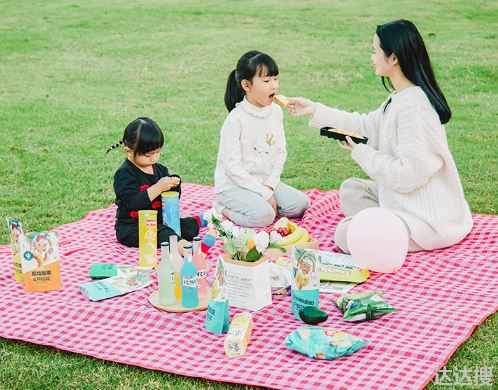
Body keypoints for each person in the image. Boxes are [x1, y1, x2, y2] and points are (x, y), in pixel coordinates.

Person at [287, 19, 473, 252]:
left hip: (427, 220)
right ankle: (380, 226)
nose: (372, 57)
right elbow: (365, 126)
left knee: (345, 234)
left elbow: (408, 175)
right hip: (406, 203)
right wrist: (314, 109)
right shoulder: (400, 97)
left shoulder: (413, 109)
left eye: (375, 51)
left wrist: (362, 152)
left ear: (393, 58)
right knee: (352, 190)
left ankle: (384, 231)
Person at [214, 50, 309, 227]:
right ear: (246, 86)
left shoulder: (276, 112)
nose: (273, 85)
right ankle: (221, 208)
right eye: (266, 81)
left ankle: (260, 205)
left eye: (275, 79)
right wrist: (264, 194)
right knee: (264, 217)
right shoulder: (235, 120)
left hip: (264, 182)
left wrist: (270, 187)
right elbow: (233, 168)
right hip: (233, 186)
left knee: (301, 204)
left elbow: (281, 152)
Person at [107, 117, 207, 252]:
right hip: (133, 228)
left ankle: (200, 220)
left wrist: (174, 185)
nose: (154, 158)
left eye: (157, 152)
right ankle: (186, 249)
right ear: (129, 151)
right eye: (149, 155)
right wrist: (158, 187)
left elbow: (171, 200)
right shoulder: (124, 174)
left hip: (160, 221)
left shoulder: (160, 170)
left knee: (183, 226)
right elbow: (132, 202)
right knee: (165, 233)